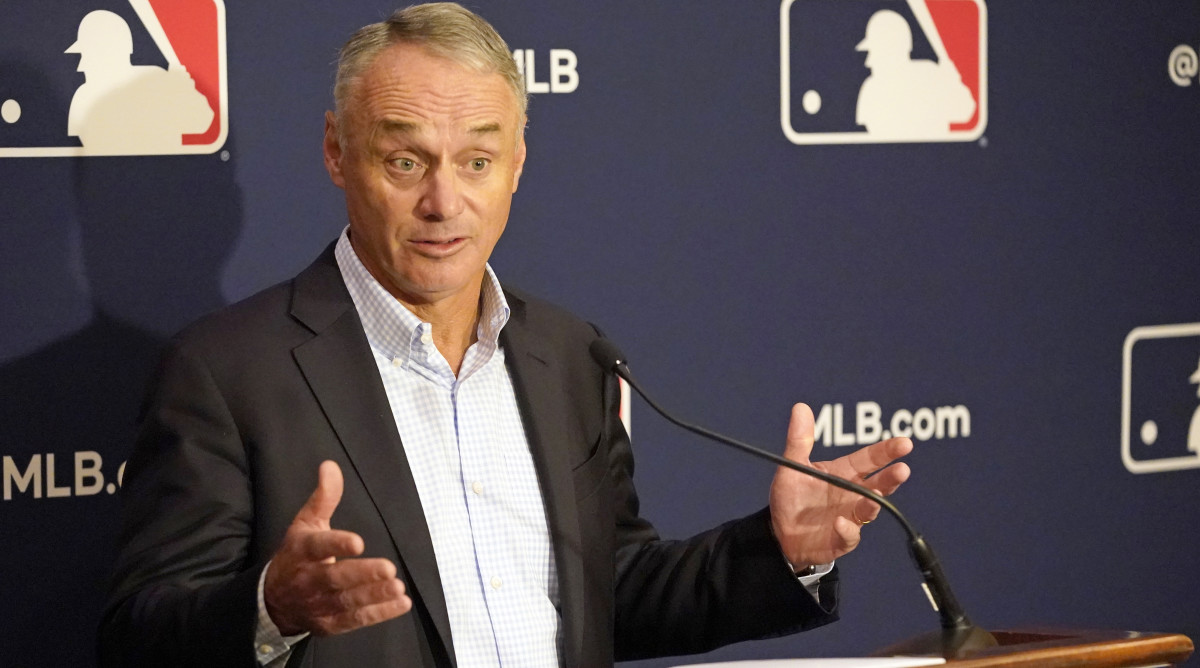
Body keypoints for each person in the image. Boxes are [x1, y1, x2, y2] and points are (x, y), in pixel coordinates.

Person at [98, 4, 912, 666]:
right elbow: (137, 638)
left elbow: (612, 594)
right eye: (407, 162)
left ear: (518, 162)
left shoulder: (569, 355)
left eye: (477, 162)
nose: (445, 203)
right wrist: (271, 607)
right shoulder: (227, 371)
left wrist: (780, 552)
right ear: (337, 153)